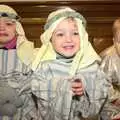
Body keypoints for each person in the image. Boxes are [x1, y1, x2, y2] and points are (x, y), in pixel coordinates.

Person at [20, 7, 110, 120]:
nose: (69, 39)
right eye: (60, 34)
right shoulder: (45, 66)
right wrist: (62, 86)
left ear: (83, 36)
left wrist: (86, 87)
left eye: (75, 33)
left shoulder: (91, 65)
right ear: (50, 39)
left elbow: (103, 89)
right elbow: (37, 88)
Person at [0, 5, 37, 120]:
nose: (1, 28)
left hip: (23, 111)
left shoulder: (33, 54)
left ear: (17, 29)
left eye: (8, 24)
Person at [100, 18, 120, 120]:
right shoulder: (109, 58)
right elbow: (102, 83)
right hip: (109, 99)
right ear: (114, 41)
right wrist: (116, 99)